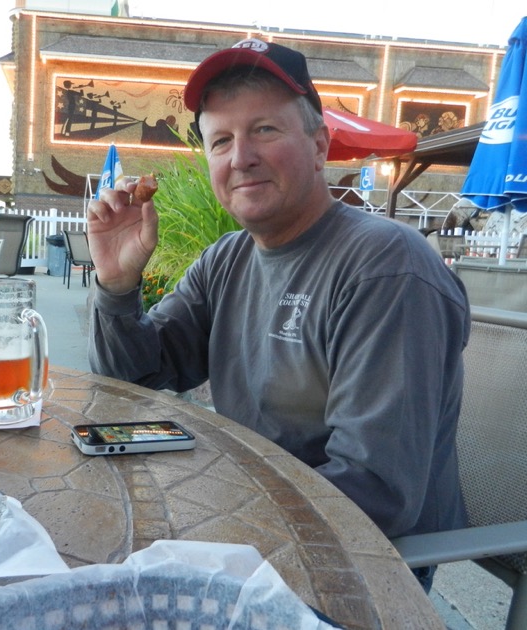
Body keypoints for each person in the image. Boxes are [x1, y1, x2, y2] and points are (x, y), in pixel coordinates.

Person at [86, 38, 469, 591]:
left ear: (318, 146)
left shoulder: (385, 267)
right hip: (257, 530)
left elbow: (372, 492)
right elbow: (137, 376)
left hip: (354, 569)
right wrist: (118, 287)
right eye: (221, 140)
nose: (241, 157)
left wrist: (205, 520)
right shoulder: (227, 259)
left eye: (264, 129)